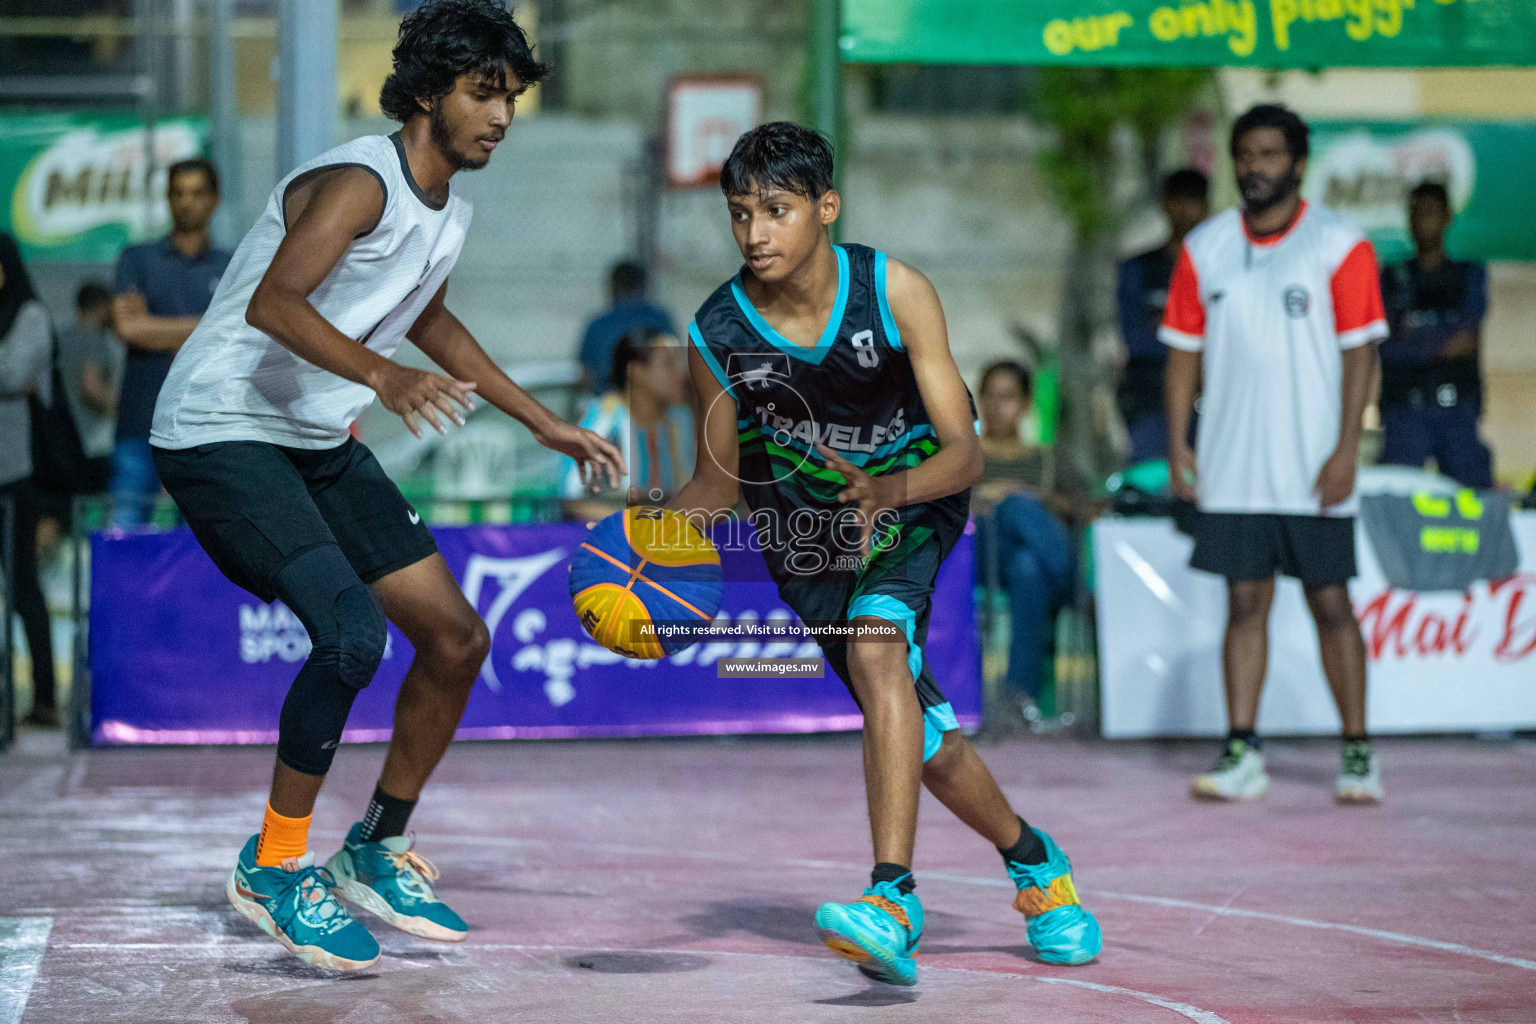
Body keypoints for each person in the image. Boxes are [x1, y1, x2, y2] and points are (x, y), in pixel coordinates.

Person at [149, 0, 623, 972]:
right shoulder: (357, 184)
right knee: (351, 634)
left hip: (312, 437)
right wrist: (382, 375)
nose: (500, 115)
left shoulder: (448, 210)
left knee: (455, 639)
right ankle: (275, 864)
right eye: (482, 92)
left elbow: (430, 321)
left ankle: (374, 842)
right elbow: (280, 299)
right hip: (221, 430)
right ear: (427, 93)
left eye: (511, 97)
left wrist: (543, 421)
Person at [671, 122, 1101, 987]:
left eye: (778, 210)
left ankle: (892, 897)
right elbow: (714, 486)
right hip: (806, 545)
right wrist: (640, 549)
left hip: (911, 499)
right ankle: (1037, 865)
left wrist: (887, 492)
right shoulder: (716, 329)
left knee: (878, 645)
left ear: (825, 208)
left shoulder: (893, 291)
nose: (756, 232)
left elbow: (966, 453)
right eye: (740, 214)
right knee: (924, 736)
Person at [1162, 104, 1386, 806]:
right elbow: (1181, 358)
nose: (1254, 167)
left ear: (1297, 163)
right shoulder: (1205, 248)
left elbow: (1361, 355)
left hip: (1315, 464)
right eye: (1244, 154)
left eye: (1268, 154)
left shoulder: (1339, 243)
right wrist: (1178, 446)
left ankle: (1357, 754)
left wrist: (1348, 449)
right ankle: (1241, 750)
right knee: (1243, 601)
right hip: (1231, 465)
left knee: (1330, 604)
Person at [110, 156, 231, 527]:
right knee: (126, 535)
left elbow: (239, 332)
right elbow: (128, 328)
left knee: (204, 543)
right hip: (140, 421)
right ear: (166, 198)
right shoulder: (137, 259)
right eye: (178, 193)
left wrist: (156, 328)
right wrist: (207, 327)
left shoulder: (232, 265)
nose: (186, 201)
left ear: (214, 200)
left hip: (208, 423)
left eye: (196, 193)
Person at [973, 360, 1074, 714]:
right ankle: (1071, 580)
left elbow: (1083, 508)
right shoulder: (963, 455)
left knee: (1028, 567)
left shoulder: (1045, 460)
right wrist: (985, 498)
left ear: (1026, 404)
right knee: (1014, 505)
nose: (996, 406)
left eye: (1007, 397)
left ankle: (1018, 693)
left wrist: (1033, 497)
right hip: (979, 555)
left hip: (1024, 560)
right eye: (989, 396)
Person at [1377, 181, 1493, 488]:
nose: (1424, 219)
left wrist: (1410, 341)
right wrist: (1439, 341)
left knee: (1472, 504)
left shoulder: (1469, 273)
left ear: (1447, 216)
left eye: (1431, 211)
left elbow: (1467, 340)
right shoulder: (1390, 276)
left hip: (1457, 412)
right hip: (1403, 411)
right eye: (1416, 212)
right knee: (1395, 502)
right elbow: (1383, 344)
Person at [0, 234, 59, 727]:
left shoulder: (30, 316)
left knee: (23, 590)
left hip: (15, 476)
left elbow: (12, 371)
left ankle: (44, 699)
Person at [1116, 168, 1209, 465]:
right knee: (1152, 482)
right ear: (1164, 205)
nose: (1186, 210)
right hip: (1150, 402)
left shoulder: (1220, 269)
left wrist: (1168, 325)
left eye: (1194, 200)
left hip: (1210, 402)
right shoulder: (1137, 268)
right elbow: (1135, 337)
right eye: (1178, 200)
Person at [561, 326, 694, 522]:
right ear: (636, 371)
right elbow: (572, 501)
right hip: (612, 541)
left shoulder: (681, 421)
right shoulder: (603, 420)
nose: (681, 373)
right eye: (669, 364)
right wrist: (640, 526)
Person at [57, 282, 123, 494]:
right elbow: (91, 387)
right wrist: (125, 410)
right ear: (104, 307)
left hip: (63, 437)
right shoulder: (94, 339)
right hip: (94, 439)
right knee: (96, 509)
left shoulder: (62, 337)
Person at [577, 260, 676, 396]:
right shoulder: (662, 319)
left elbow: (585, 378)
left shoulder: (597, 325)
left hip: (608, 404)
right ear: (644, 286)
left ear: (613, 287)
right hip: (655, 403)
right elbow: (676, 362)